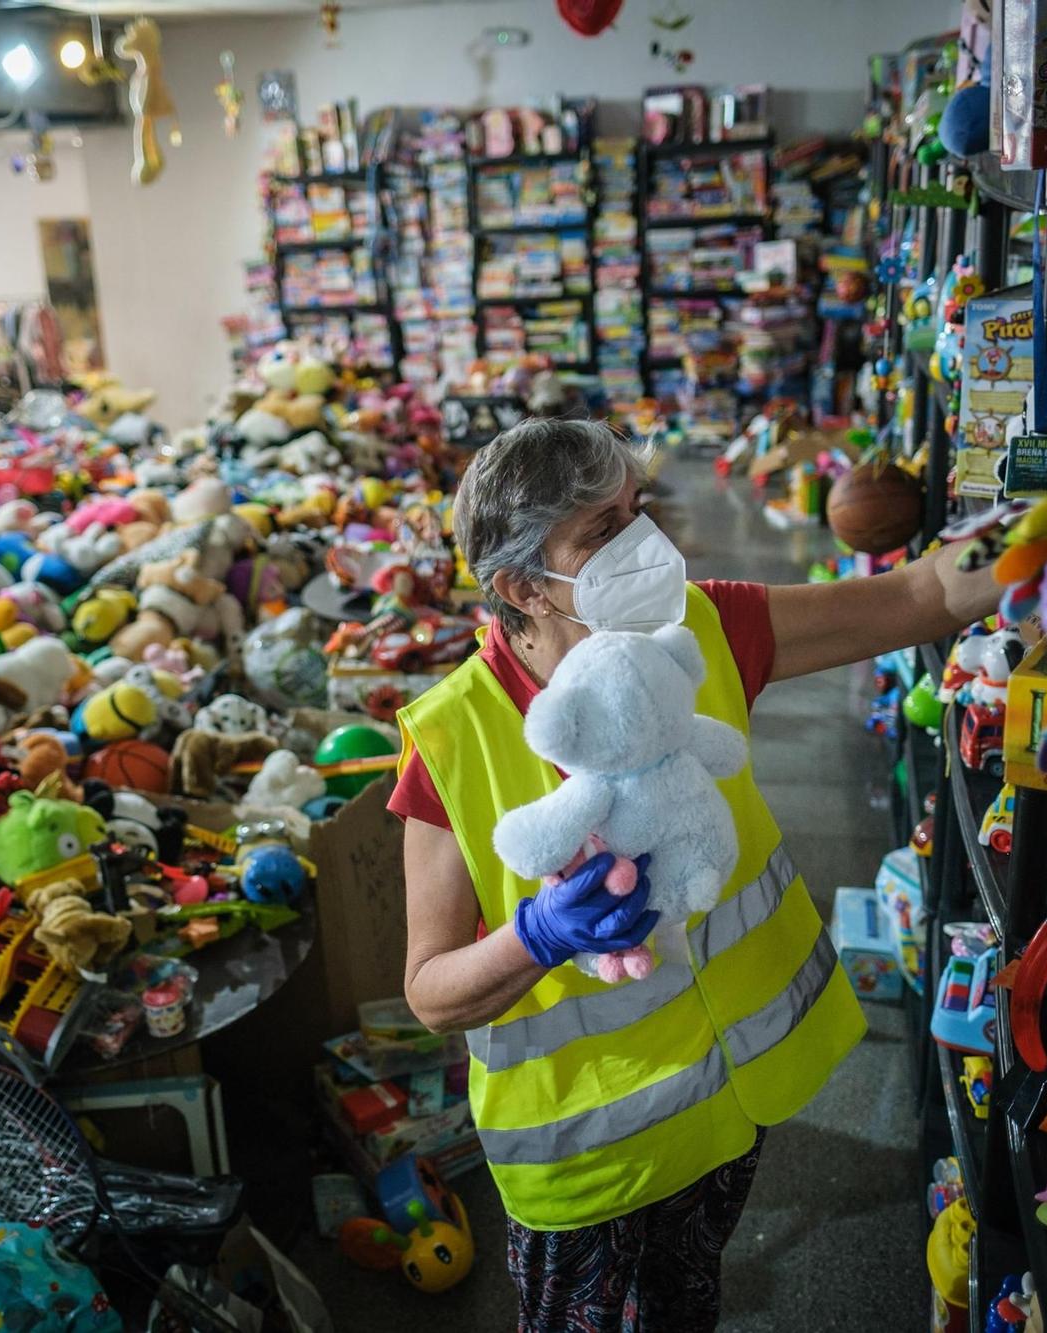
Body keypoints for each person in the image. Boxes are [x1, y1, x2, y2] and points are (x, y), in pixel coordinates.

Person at [390, 419, 1002, 1330]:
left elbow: (915, 596)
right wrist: (539, 935)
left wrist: (1033, 541)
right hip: (590, 1160)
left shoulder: (701, 631)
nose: (644, 544)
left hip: (733, 1108)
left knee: (686, 1308)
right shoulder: (452, 739)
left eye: (637, 511)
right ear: (521, 585)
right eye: (601, 533)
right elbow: (432, 994)